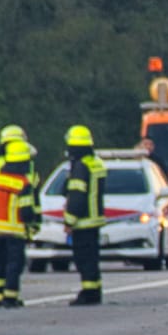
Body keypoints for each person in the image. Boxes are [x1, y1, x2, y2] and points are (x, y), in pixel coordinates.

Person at [0, 139, 39, 308]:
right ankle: (10, 297)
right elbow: (26, 211)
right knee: (14, 264)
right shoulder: (23, 183)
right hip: (13, 230)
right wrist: (31, 224)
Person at [63, 124, 107, 305]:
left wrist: (69, 221)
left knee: (83, 260)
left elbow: (77, 197)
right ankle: (95, 291)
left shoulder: (81, 167)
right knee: (92, 259)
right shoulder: (95, 162)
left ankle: (88, 293)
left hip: (83, 221)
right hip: (95, 220)